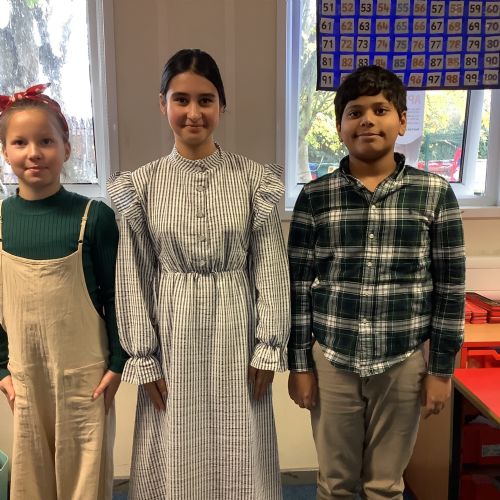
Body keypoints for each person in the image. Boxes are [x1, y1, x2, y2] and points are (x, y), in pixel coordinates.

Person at [107, 49, 290, 500]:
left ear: (222, 105)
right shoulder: (142, 185)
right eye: (181, 99)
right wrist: (143, 355)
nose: (194, 113)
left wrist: (269, 345)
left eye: (205, 100)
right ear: (163, 104)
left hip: (237, 330)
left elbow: (270, 266)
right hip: (173, 334)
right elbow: (132, 275)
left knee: (240, 441)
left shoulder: (254, 181)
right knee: (175, 443)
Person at [287, 66, 465, 499]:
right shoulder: (315, 197)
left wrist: (441, 371)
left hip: (402, 359)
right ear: (339, 127)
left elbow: (450, 291)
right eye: (355, 112)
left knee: (385, 485)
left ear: (402, 121)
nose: (367, 120)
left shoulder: (434, 194)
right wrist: (299, 365)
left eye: (380, 110)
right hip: (333, 356)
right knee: (335, 483)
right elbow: (296, 288)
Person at [0, 84, 127, 500]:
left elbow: (117, 298)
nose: (33, 152)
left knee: (85, 482)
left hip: (85, 380)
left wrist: (118, 363)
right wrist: (2, 369)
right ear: (5, 151)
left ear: (66, 149)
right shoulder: (1, 221)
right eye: (20, 142)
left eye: (46, 141)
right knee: (31, 479)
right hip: (25, 377)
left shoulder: (95, 218)